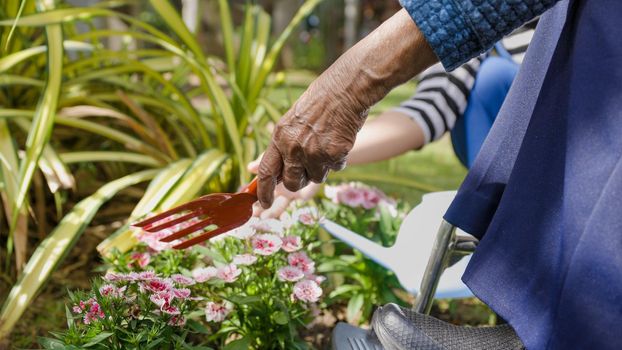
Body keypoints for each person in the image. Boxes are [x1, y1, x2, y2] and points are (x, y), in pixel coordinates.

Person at [256, 0, 622, 349]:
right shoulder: (483, 33)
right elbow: (427, 113)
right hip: (529, 164)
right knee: (493, 76)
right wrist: (315, 159)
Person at [250, 24, 535, 219]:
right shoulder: (479, 20)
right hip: (519, 185)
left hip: (565, 146)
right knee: (489, 81)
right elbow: (430, 108)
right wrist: (316, 154)